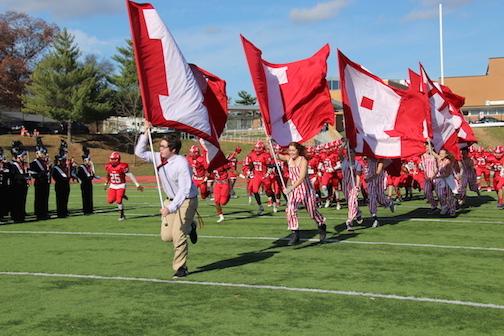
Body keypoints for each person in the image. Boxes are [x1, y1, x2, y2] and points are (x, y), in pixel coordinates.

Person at [135, 121, 199, 278]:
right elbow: (139, 152)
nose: (160, 149)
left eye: (164, 147)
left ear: (173, 150)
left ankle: (181, 267)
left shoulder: (182, 164)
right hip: (169, 200)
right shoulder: (158, 158)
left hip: (186, 201)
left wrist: (171, 208)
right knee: (166, 237)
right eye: (161, 146)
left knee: (178, 235)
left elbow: (184, 190)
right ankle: (191, 226)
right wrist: (146, 133)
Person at [277, 142, 326, 245]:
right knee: (290, 209)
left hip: (306, 189)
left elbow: (302, 177)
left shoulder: (303, 160)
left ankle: (321, 224)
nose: (291, 152)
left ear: (298, 150)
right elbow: (276, 155)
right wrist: (271, 143)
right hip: (295, 191)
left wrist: (290, 188)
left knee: (312, 211)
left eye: (293, 150)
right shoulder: (288, 158)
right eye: (290, 150)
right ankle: (295, 233)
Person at [104, 151, 143, 221]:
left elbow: (130, 175)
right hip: (112, 185)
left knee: (119, 201)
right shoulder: (108, 166)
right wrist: (106, 183)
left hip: (121, 185)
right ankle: (122, 195)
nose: (112, 161)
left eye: (114, 159)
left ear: (118, 159)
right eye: (111, 159)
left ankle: (122, 215)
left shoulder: (122, 166)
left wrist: (137, 184)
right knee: (110, 201)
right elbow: (108, 174)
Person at [365, 157, 395, 228]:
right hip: (371, 183)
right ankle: (375, 218)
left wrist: (369, 178)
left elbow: (378, 172)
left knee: (381, 199)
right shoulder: (368, 159)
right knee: (372, 199)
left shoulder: (381, 160)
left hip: (378, 183)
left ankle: (389, 202)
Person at [339, 145, 363, 231]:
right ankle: (358, 213)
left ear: (354, 154)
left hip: (352, 185)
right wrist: (345, 144)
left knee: (351, 203)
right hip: (345, 185)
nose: (350, 153)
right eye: (348, 151)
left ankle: (349, 221)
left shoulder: (357, 164)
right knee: (351, 202)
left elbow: (358, 175)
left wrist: (357, 186)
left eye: (352, 152)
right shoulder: (344, 160)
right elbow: (339, 152)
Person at [7, 141, 29, 222]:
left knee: (22, 201)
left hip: (22, 186)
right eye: (23, 155)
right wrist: (24, 176)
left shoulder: (22, 164)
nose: (24, 157)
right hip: (16, 187)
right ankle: (16, 216)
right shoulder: (12, 165)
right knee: (16, 202)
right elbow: (14, 176)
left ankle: (21, 215)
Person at [29, 137, 51, 220]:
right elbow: (32, 173)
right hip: (39, 182)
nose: (43, 154)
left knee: (45, 198)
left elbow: (48, 172)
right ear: (37, 153)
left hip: (45, 182)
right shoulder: (34, 163)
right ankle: (39, 213)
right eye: (42, 153)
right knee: (39, 198)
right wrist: (40, 174)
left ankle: (45, 212)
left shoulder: (45, 163)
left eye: (44, 153)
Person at [76, 146, 95, 214]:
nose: (89, 161)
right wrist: (81, 180)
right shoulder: (81, 167)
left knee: (90, 197)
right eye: (88, 160)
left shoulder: (88, 167)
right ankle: (86, 210)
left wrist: (92, 169)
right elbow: (78, 175)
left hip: (89, 183)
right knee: (85, 197)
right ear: (84, 160)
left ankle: (90, 209)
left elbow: (92, 176)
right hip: (84, 184)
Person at [52, 148, 70, 218]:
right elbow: (54, 177)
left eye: (65, 160)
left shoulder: (66, 167)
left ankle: (64, 211)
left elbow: (69, 176)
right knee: (60, 200)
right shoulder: (56, 168)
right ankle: (60, 213)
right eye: (63, 160)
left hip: (66, 185)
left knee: (65, 199)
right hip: (60, 185)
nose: (64, 162)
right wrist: (62, 180)